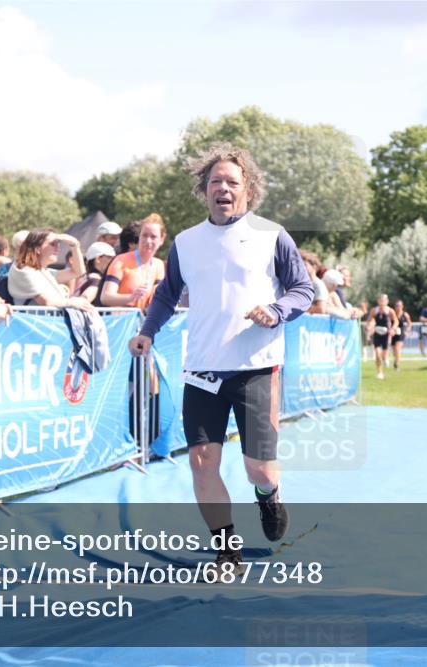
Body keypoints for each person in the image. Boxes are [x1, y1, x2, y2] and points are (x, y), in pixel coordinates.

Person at [128, 144, 313, 570]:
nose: (223, 189)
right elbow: (166, 294)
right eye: (215, 182)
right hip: (202, 370)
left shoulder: (271, 235)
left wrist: (276, 311)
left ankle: (268, 497)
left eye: (232, 182)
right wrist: (147, 332)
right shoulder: (187, 242)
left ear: (248, 190)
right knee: (201, 461)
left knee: (260, 471)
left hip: (257, 368)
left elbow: (303, 289)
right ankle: (226, 549)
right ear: (204, 190)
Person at [8, 229, 93, 311]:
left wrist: (74, 245)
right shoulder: (24, 270)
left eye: (58, 243)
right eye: (53, 244)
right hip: (34, 324)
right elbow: (46, 301)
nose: (57, 247)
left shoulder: (43, 272)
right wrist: (72, 302)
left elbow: (78, 272)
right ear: (37, 248)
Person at [98, 213, 166, 311]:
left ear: (162, 239)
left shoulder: (159, 265)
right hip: (122, 322)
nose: (148, 241)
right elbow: (105, 298)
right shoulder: (120, 260)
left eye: (153, 237)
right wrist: (131, 297)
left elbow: (156, 299)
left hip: (144, 322)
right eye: (144, 235)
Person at [74, 242, 116, 306]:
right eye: (110, 257)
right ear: (98, 259)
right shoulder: (96, 280)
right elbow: (83, 300)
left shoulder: (86, 277)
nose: (113, 261)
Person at [370, 293, 398, 379]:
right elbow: (371, 319)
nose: (382, 302)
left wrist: (393, 329)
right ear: (378, 301)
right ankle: (379, 372)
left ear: (387, 301)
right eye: (381, 300)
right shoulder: (374, 310)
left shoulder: (390, 311)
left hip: (386, 334)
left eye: (384, 301)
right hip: (377, 333)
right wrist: (370, 326)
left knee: (384, 354)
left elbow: (396, 321)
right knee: (378, 354)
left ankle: (386, 358)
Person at [392, 299, 412, 371]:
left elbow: (410, 323)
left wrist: (407, 331)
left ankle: (397, 365)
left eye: (399, 306)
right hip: (393, 333)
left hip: (401, 333)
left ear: (402, 306)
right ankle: (396, 360)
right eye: (397, 306)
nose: (398, 307)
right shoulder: (392, 313)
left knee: (398, 348)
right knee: (394, 350)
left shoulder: (405, 314)